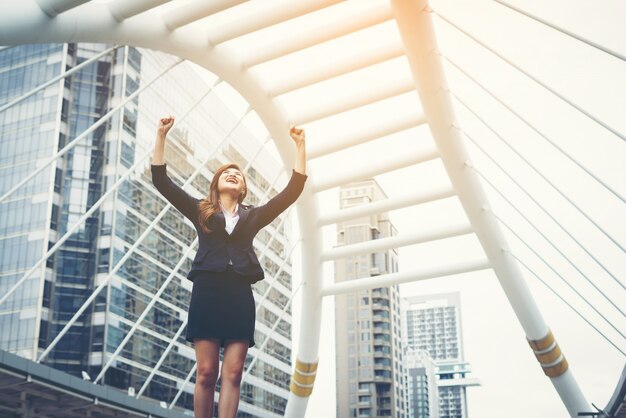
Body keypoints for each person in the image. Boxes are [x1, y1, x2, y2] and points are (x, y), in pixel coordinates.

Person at [150, 116, 307, 418]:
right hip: (207, 293)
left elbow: (292, 192)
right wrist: (160, 136)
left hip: (239, 296)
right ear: (216, 185)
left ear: (244, 188)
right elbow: (161, 182)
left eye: (238, 174)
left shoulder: (253, 216)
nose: (233, 174)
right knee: (207, 373)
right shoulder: (201, 211)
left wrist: (300, 146)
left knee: (232, 374)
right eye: (226, 173)